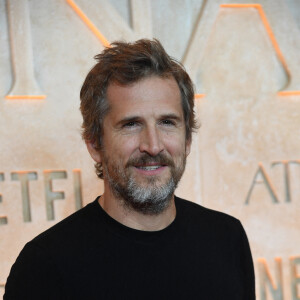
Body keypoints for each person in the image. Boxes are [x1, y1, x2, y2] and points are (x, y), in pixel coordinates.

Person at [4, 39, 255, 299]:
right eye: (131, 124)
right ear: (95, 145)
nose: (153, 145)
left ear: (187, 139)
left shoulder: (227, 239)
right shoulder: (44, 267)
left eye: (167, 122)